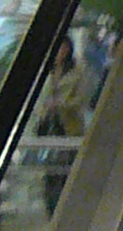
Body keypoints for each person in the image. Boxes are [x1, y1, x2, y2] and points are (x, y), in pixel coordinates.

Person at [35, 33, 89, 216]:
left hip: (68, 127)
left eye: (64, 48)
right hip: (48, 126)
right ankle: (51, 209)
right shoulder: (47, 72)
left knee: (66, 171)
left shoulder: (77, 70)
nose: (61, 52)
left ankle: (67, 209)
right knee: (50, 172)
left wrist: (61, 105)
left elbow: (81, 99)